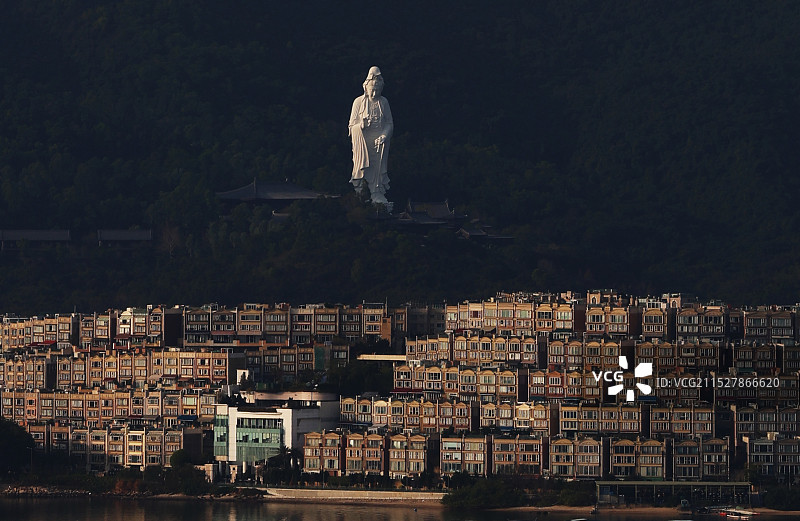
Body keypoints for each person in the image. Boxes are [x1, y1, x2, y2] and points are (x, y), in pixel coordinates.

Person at [349, 66, 393, 205]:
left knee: (377, 169)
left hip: (379, 142)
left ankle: (377, 193)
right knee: (363, 167)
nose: (374, 94)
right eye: (372, 90)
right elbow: (351, 126)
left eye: (377, 90)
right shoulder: (358, 102)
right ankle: (361, 193)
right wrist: (360, 126)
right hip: (363, 141)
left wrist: (384, 136)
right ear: (366, 88)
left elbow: (389, 123)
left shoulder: (383, 102)